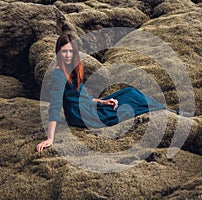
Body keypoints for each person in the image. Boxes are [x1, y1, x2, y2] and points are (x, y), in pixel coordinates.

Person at [37, 33, 166, 152]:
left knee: (128, 92)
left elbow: (83, 96)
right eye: (64, 51)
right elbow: (55, 105)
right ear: (58, 53)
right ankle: (162, 109)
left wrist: (102, 101)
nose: (68, 55)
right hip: (81, 115)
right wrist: (50, 138)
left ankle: (160, 108)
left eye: (71, 51)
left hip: (86, 106)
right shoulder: (59, 75)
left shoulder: (72, 68)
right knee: (130, 101)